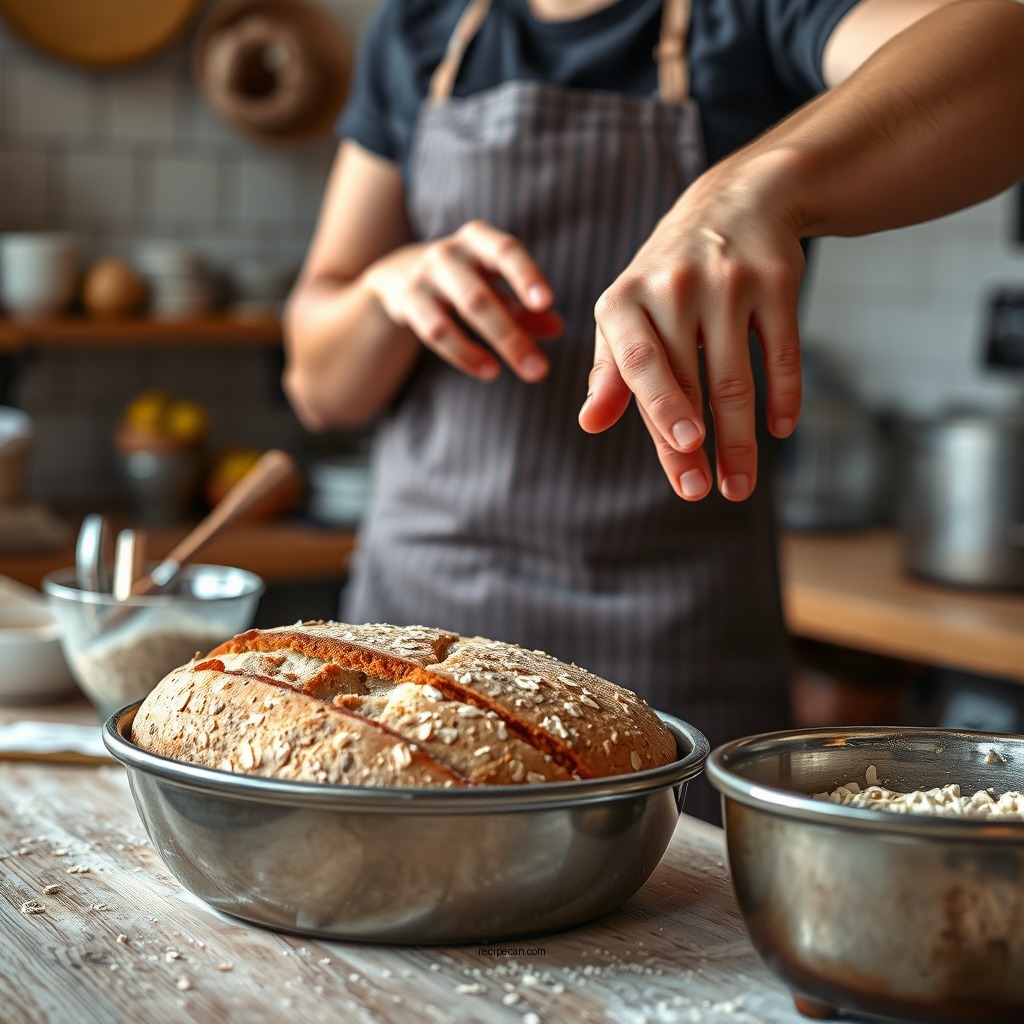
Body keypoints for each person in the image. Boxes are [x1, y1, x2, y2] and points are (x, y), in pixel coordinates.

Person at [283, 0, 1024, 821]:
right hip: (417, 634)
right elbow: (319, 387)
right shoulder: (419, 30)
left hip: (676, 653)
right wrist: (389, 289)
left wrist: (749, 187)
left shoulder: (748, 17)